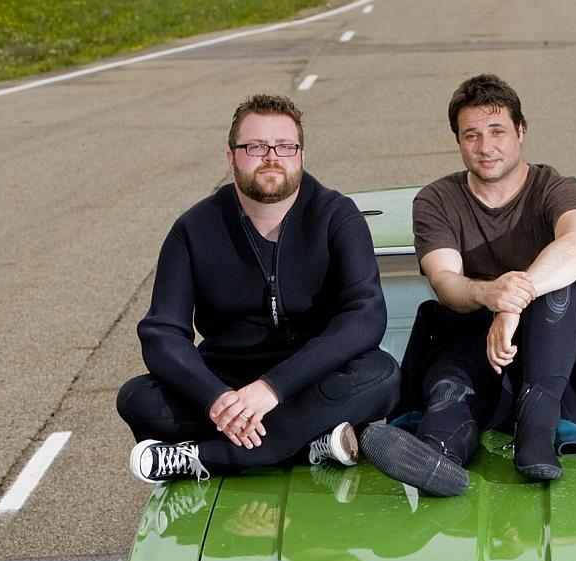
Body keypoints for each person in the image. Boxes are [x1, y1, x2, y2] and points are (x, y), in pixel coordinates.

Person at [117, 94, 398, 483]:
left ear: (301, 156)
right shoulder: (193, 230)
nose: (271, 157)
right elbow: (162, 333)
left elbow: (365, 317)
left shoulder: (337, 216)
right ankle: (310, 446)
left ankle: (204, 457)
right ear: (231, 157)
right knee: (137, 398)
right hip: (227, 384)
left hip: (312, 380)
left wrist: (272, 389)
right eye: (255, 147)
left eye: (285, 146)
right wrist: (216, 399)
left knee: (381, 375)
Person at [359, 74, 576, 496]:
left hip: (551, 356)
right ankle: (436, 458)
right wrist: (490, 294)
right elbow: (446, 282)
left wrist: (511, 305)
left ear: (521, 132)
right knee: (447, 393)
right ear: (458, 141)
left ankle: (536, 428)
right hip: (475, 346)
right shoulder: (436, 201)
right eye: (471, 135)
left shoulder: (554, 188)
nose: (485, 146)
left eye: (497, 131)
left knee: (558, 289)